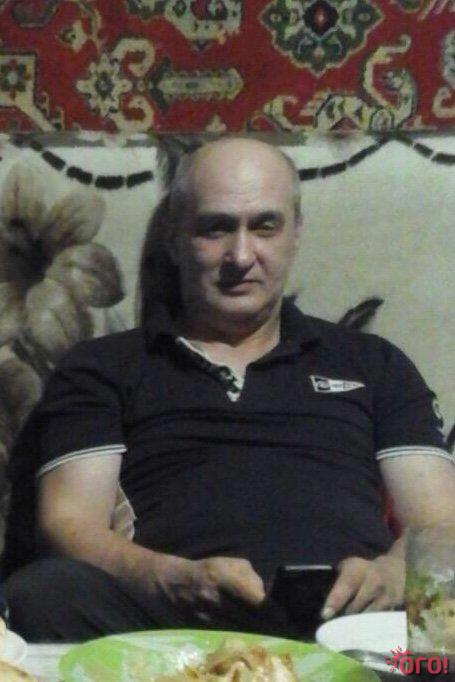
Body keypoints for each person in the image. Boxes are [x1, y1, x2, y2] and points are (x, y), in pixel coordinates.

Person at [3, 137, 454, 642]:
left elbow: (442, 525)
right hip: (169, 626)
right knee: (43, 593)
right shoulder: (103, 367)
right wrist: (170, 579)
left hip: (354, 627)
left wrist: (392, 576)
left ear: (295, 233)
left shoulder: (374, 363)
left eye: (265, 226)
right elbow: (68, 524)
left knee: (441, 606)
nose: (241, 256)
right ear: (175, 239)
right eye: (216, 228)